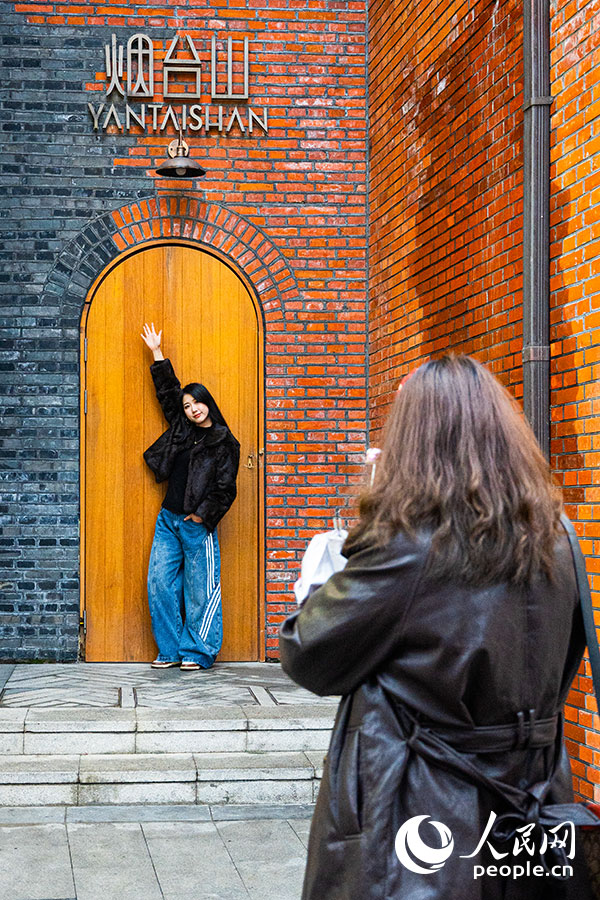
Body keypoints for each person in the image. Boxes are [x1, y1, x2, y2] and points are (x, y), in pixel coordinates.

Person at [279, 355, 593, 899]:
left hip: (423, 809)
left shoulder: (410, 544)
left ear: (414, 439)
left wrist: (366, 532)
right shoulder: (558, 534)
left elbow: (307, 651)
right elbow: (561, 662)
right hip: (533, 797)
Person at [141, 322, 240, 672]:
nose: (192, 408)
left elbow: (226, 487)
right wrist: (156, 353)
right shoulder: (182, 429)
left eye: (197, 402)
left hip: (196, 524)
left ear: (207, 404)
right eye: (187, 405)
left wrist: (202, 515)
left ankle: (197, 652)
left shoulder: (225, 442)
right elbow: (167, 392)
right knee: (160, 585)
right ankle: (169, 649)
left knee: (201, 591)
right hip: (168, 519)